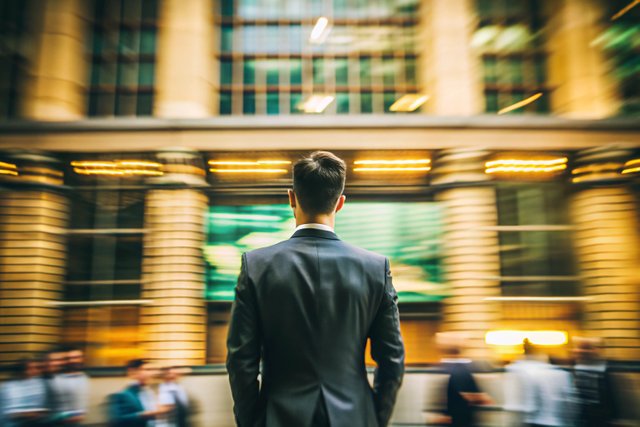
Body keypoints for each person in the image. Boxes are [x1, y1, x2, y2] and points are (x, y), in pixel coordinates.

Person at [226, 151, 405, 427]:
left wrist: (252, 421)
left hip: (278, 417)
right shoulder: (375, 268)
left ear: (291, 198)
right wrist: (372, 417)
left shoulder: (256, 266)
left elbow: (241, 362)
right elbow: (392, 360)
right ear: (340, 202)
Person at [504, 339, 575, 427]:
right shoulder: (563, 374)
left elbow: (527, 403)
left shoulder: (523, 370)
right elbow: (569, 403)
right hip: (557, 422)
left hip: (537, 420)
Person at [432, 333, 492, 427]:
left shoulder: (442, 368)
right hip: (460, 421)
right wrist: (484, 399)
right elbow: (472, 395)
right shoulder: (461, 370)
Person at [572, 337, 618, 427]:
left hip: (598, 415)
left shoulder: (604, 369)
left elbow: (611, 394)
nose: (580, 351)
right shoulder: (575, 368)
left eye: (585, 348)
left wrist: (613, 417)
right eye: (580, 348)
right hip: (581, 415)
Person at [108, 359, 167, 427]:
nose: (151, 373)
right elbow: (118, 420)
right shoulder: (122, 395)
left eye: (152, 370)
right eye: (147, 369)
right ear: (133, 372)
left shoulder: (149, 392)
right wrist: (146, 414)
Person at [0, 358, 50, 426]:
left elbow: (45, 409)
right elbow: (9, 414)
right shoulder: (9, 386)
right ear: (22, 370)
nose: (36, 371)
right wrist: (28, 414)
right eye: (31, 368)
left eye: (37, 368)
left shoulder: (40, 384)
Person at [49, 347, 90, 425]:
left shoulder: (83, 377)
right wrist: (66, 416)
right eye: (70, 358)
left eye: (77, 358)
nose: (73, 361)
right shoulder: (56, 378)